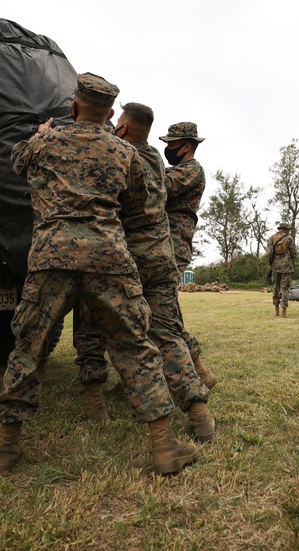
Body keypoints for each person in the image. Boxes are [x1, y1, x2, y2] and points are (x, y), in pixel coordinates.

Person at [0, 73, 197, 476]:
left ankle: (7, 448)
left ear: (74, 106)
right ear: (110, 114)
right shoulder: (126, 153)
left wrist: (39, 134)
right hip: (109, 258)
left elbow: (17, 161)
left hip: (52, 257)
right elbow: (138, 206)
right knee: (134, 346)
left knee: (29, 347)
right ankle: (164, 446)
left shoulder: (45, 143)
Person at [74, 102, 214, 443]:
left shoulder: (163, 166)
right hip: (161, 255)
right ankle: (199, 409)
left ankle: (99, 394)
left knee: (97, 318)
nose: (168, 147)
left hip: (136, 256)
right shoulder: (148, 156)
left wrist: (98, 129)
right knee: (165, 330)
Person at [160, 122, 216, 388]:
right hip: (163, 243)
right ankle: (200, 371)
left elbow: (160, 187)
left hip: (174, 245)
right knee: (164, 310)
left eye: (171, 144)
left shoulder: (192, 170)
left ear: (186, 146)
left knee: (165, 311)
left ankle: (199, 372)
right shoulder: (177, 169)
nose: (166, 148)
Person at [266, 222, 295, 317]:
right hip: (286, 266)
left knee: (276, 287)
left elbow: (269, 253)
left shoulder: (272, 238)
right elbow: (294, 252)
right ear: (286, 229)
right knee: (285, 288)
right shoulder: (289, 238)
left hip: (275, 266)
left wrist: (271, 263)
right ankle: (284, 311)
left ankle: (276, 310)